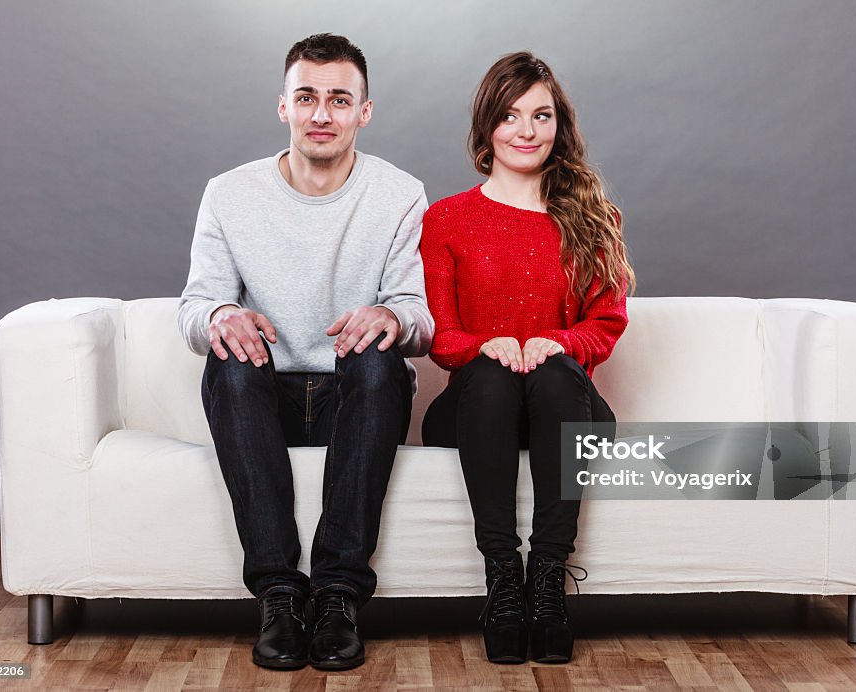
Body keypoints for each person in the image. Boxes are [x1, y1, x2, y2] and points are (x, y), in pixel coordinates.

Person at [177, 33, 433, 671]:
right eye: (307, 97)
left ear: (363, 113)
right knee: (228, 353)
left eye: (339, 100)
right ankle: (280, 595)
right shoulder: (229, 193)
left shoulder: (399, 194)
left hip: (359, 397)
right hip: (267, 396)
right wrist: (221, 315)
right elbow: (191, 309)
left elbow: (423, 322)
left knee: (380, 354)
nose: (322, 114)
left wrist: (392, 316)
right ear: (283, 107)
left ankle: (339, 594)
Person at [420, 52, 633, 664]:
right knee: (490, 374)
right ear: (487, 127)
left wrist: (557, 341)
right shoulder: (446, 219)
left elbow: (606, 323)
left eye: (541, 116)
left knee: (553, 369)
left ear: (559, 125)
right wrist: (485, 345)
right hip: (475, 406)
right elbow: (441, 335)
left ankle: (547, 585)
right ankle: (502, 583)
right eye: (511, 116)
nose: (527, 131)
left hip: (563, 403)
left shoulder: (594, 217)